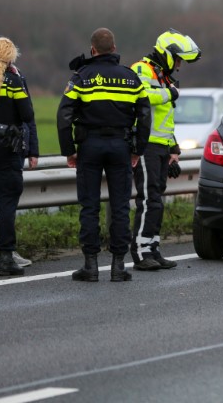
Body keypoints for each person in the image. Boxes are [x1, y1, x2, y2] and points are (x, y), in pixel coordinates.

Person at [57, 28, 151, 282]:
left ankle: (90, 266)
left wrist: (69, 151)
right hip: (120, 147)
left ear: (93, 50)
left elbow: (64, 115)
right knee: (120, 206)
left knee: (90, 206)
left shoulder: (81, 77)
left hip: (89, 147)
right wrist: (137, 150)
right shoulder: (131, 78)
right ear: (114, 48)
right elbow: (144, 116)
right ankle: (119, 267)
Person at [129, 29, 201, 271]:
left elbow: (165, 120)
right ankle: (140, 251)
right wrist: (168, 93)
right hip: (145, 145)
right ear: (168, 54)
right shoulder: (141, 69)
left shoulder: (163, 76)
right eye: (178, 59)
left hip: (160, 146)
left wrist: (173, 148)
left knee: (157, 200)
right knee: (149, 199)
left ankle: (153, 248)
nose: (179, 65)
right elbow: (140, 96)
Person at [0, 37, 35, 276]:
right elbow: (27, 113)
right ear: (10, 57)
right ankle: (6, 256)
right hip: (7, 149)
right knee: (7, 204)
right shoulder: (13, 81)